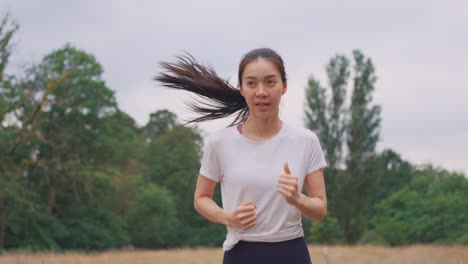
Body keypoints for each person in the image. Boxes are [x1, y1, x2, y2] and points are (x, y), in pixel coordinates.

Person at [156, 48, 328, 264]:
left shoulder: (306, 141)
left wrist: (297, 198)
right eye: (251, 83)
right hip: (241, 253)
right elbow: (201, 198)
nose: (261, 92)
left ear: (284, 86)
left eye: (270, 82)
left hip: (291, 252)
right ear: (241, 89)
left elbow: (320, 209)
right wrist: (227, 216)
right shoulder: (219, 143)